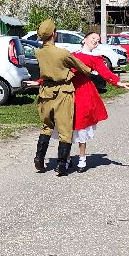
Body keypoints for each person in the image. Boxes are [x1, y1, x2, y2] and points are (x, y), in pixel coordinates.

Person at [31, 19, 92, 175]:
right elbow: (84, 68)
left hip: (45, 92)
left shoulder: (38, 52)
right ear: (54, 34)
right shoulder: (63, 53)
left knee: (46, 127)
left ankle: (39, 157)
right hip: (63, 92)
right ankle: (61, 165)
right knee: (65, 130)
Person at [69, 33, 129, 170]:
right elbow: (58, 71)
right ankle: (66, 158)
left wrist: (118, 82)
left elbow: (105, 72)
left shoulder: (95, 58)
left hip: (84, 93)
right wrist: (40, 81)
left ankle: (82, 158)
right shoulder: (71, 55)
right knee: (66, 124)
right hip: (68, 91)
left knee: (81, 125)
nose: (95, 41)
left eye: (98, 40)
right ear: (84, 39)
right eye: (93, 38)